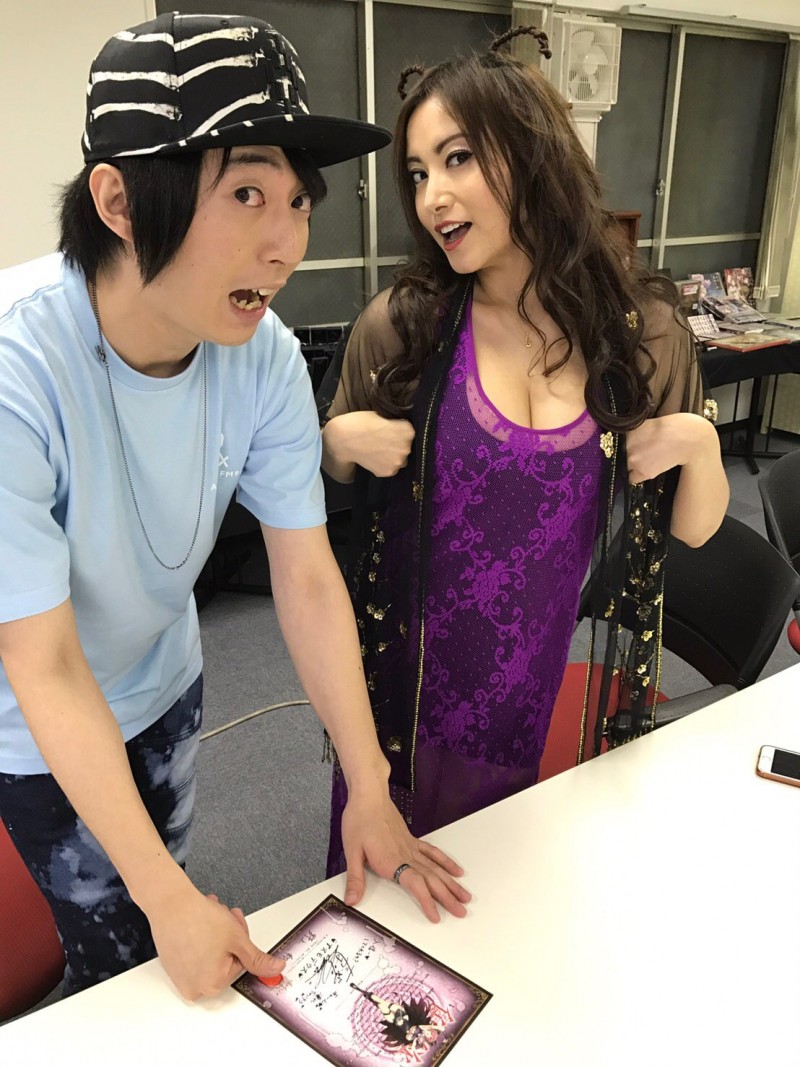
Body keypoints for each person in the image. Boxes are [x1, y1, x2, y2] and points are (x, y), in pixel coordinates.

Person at [0, 12, 470, 1005]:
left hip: (167, 679)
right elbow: (42, 661)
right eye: (246, 192)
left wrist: (370, 784)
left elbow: (306, 574)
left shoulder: (261, 355)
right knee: (119, 964)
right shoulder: (17, 370)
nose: (285, 241)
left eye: (297, 200)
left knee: (164, 891)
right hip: (37, 720)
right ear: (119, 201)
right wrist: (168, 900)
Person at [318, 27, 729, 874]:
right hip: (402, 702)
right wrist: (335, 440)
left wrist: (701, 443)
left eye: (457, 158)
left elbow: (693, 528)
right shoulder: (404, 326)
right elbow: (323, 481)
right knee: (382, 924)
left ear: (531, 153)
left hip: (524, 697)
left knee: (504, 900)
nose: (433, 197)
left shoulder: (638, 333)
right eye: (418, 173)